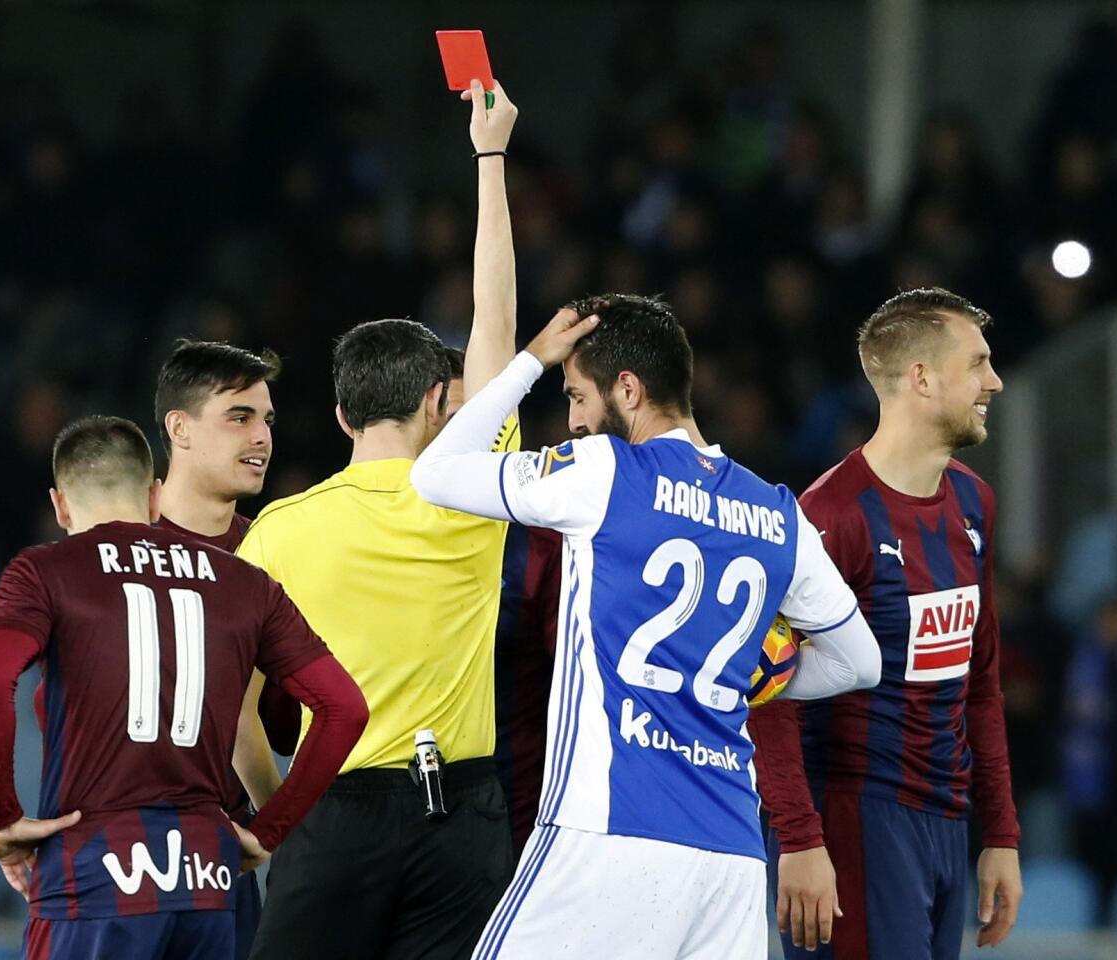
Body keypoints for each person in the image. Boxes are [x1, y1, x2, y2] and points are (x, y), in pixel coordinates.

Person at [409, 297, 882, 959]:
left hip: (607, 830)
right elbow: (860, 663)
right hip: (731, 856)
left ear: (626, 388)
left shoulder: (603, 474)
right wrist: (747, 680)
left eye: (576, 395)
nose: (571, 418)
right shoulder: (778, 513)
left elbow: (433, 473)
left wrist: (530, 361)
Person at [236, 79, 521, 960]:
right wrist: (489, 156)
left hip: (333, 814)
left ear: (340, 417)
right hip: (461, 818)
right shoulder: (475, 491)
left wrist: (277, 809)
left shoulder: (277, 530)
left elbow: (241, 713)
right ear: (445, 402)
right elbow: (495, 325)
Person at [0, 415, 367, 960]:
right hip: (207, 877)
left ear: (60, 506)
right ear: (154, 498)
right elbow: (344, 708)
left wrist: (1, 817)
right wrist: (269, 829)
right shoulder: (245, 581)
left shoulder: (43, 572)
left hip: (93, 877)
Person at [748, 287, 1023, 959]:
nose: (995, 381)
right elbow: (768, 691)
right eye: (977, 363)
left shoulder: (971, 500)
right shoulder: (829, 516)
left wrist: (999, 834)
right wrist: (801, 839)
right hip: (852, 819)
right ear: (920, 378)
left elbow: (978, 682)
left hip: (944, 822)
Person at [152, 338, 297, 960]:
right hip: (118, 855)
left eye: (267, 419)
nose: (262, 436)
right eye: (239, 417)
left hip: (224, 868)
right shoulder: (109, 546)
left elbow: (282, 724)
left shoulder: (275, 553)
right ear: (179, 428)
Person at [444, 346, 563, 858]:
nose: (462, 434)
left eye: (479, 418)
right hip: (390, 822)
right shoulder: (364, 531)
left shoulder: (542, 539)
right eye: (450, 418)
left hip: (514, 821)